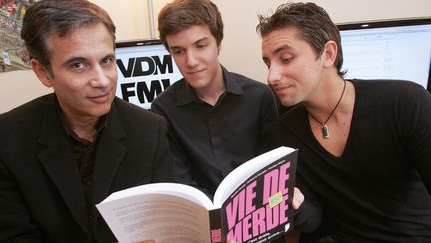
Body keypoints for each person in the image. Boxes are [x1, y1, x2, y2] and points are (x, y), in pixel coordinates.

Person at [0, 0, 172, 242]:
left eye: (107, 61)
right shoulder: (7, 140)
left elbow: (161, 225)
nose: (102, 81)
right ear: (43, 72)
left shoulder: (150, 130)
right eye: (78, 65)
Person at [257, 2, 431, 242]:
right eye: (268, 63)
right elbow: (313, 218)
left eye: (286, 59)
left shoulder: (406, 103)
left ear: (328, 53)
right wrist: (295, 204)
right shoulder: (282, 132)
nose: (271, 76)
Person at [152, 0, 279, 197]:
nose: (191, 62)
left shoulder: (260, 97)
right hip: (202, 220)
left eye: (201, 46)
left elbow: (274, 172)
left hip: (259, 214)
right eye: (178, 51)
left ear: (218, 43)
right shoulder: (163, 109)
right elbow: (181, 183)